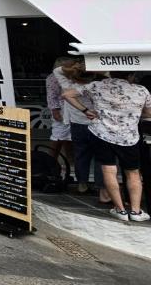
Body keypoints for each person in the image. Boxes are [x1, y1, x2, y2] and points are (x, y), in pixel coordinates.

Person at [64, 71, 151, 222]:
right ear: (130, 76)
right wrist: (132, 114)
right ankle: (136, 212)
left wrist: (86, 110)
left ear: (110, 72)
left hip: (101, 134)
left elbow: (66, 94)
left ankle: (120, 210)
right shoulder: (142, 90)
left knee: (109, 170)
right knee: (133, 173)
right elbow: (148, 113)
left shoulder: (97, 85)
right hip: (128, 137)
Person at [57, 60, 105, 200]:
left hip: (77, 123)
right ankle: (101, 186)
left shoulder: (68, 84)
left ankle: (82, 184)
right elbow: (108, 74)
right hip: (97, 124)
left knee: (81, 155)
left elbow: (57, 70)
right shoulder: (97, 86)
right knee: (100, 157)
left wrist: (75, 66)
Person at [45, 57, 73, 176]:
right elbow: (51, 96)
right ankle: (50, 163)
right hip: (62, 111)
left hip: (72, 110)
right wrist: (55, 111)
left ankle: (70, 164)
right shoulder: (53, 78)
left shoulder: (69, 76)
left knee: (69, 139)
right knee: (58, 137)